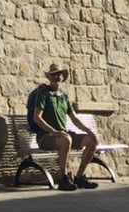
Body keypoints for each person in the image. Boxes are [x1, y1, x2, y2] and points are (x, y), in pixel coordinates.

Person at [31, 62, 99, 191]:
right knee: (66, 139)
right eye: (53, 75)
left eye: (59, 74)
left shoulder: (64, 97)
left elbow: (74, 119)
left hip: (63, 135)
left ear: (63, 77)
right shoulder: (43, 94)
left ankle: (79, 177)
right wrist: (54, 132)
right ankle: (62, 178)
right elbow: (37, 117)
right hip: (46, 137)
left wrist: (89, 131)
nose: (56, 77)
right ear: (49, 77)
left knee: (93, 140)